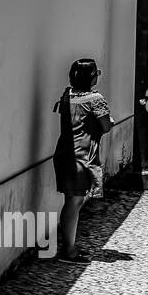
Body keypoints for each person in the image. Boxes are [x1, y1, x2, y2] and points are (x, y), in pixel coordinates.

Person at [51, 58, 113, 263]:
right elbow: (105, 126)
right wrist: (108, 121)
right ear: (92, 76)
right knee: (74, 203)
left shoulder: (67, 94)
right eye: (97, 73)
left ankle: (70, 247)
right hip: (82, 157)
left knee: (72, 202)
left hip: (64, 153)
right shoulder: (95, 98)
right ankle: (68, 251)